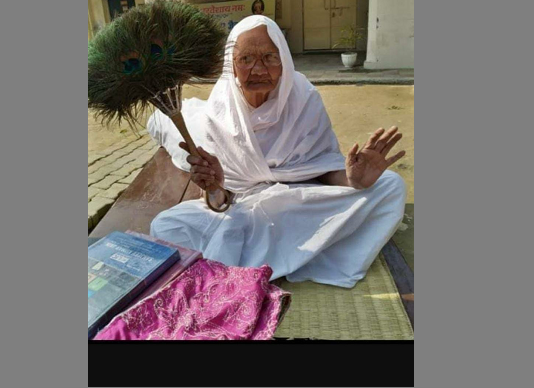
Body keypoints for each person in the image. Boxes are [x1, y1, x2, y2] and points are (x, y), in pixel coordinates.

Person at [146, 15, 407, 288]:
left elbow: (321, 169)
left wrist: (353, 180)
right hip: (243, 210)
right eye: (246, 59)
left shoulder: (303, 98)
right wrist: (214, 186)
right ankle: (292, 253)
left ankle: (250, 260)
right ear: (231, 65)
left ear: (284, 61)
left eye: (270, 57)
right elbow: (221, 201)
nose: (258, 69)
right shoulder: (220, 111)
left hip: (295, 204)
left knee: (390, 186)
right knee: (166, 226)